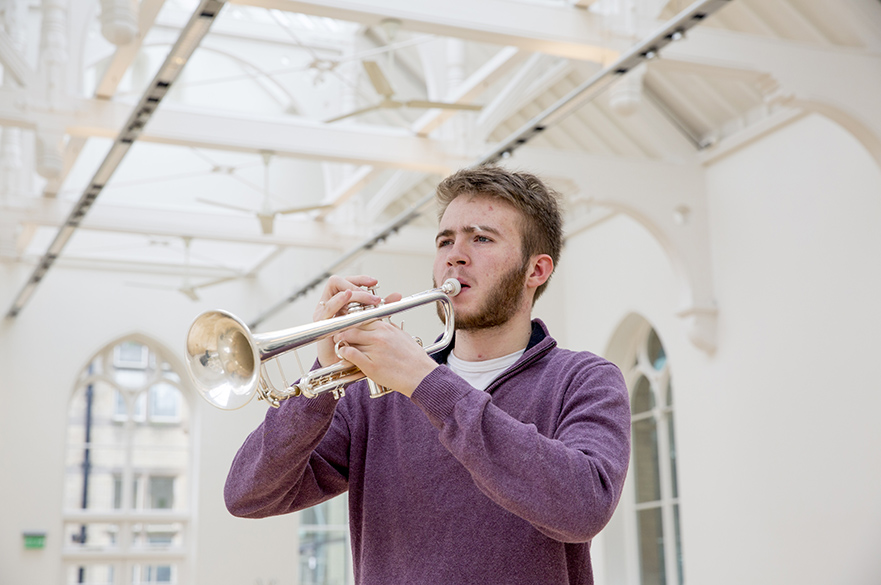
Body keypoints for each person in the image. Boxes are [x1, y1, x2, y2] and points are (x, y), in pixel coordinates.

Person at [224, 165, 631, 585]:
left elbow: (584, 508)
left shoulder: (584, 379)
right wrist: (324, 374)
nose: (455, 254)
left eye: (482, 238)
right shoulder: (373, 393)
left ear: (536, 271)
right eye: (445, 240)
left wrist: (426, 383)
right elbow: (248, 496)